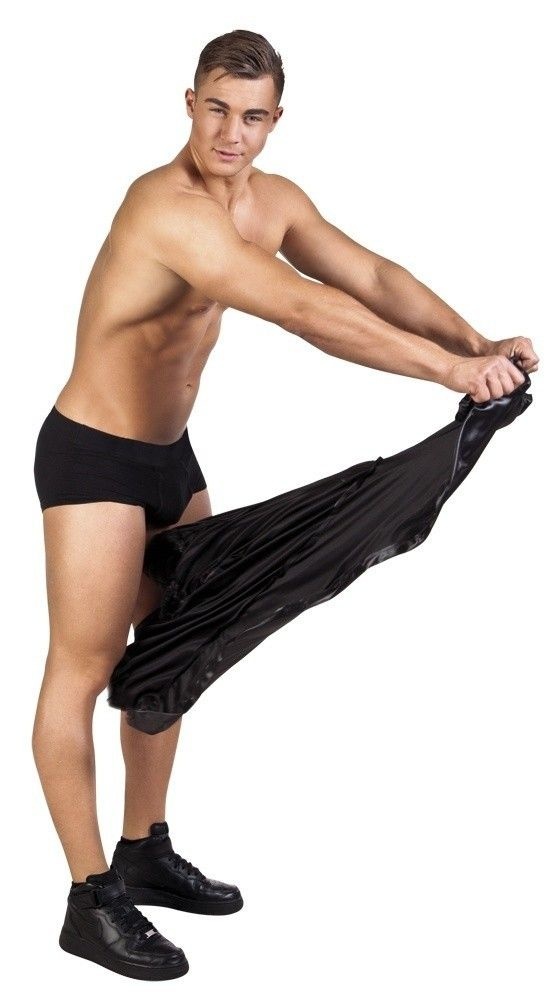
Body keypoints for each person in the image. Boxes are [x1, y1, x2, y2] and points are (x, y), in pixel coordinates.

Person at [32, 28, 539, 982]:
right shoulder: (165, 209)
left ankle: (144, 849)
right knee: (83, 669)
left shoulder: (273, 201)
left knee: (174, 647)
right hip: (95, 458)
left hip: (170, 457)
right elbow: (303, 310)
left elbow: (370, 278)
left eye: (253, 116)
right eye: (217, 109)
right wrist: (450, 373)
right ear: (189, 103)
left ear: (276, 120)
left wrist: (476, 343)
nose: (232, 133)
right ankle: (89, 899)